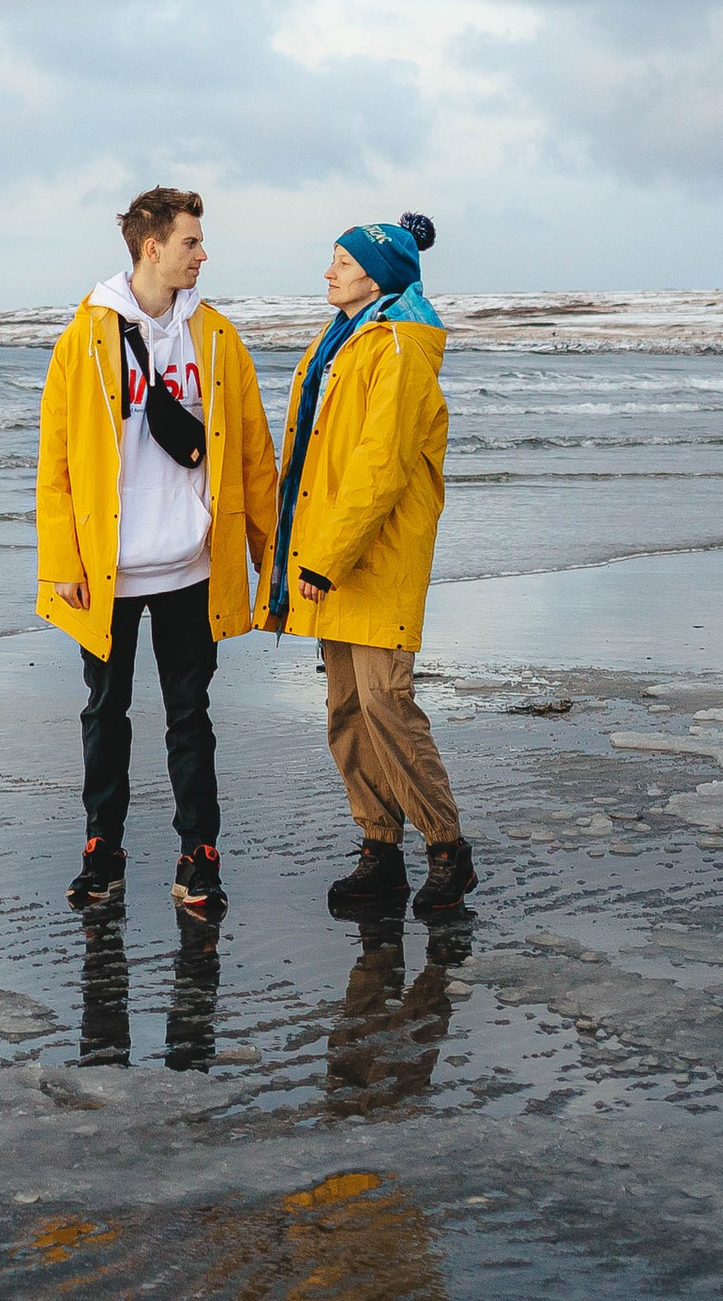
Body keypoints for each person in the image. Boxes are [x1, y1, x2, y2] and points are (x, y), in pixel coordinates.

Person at [36, 186, 278, 919]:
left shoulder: (219, 339)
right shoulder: (85, 337)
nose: (203, 254)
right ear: (152, 248)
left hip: (193, 565)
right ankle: (101, 851)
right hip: (109, 570)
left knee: (190, 715)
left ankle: (197, 854)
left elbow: (255, 457)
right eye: (191, 243)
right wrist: (62, 564)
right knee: (105, 713)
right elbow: (57, 461)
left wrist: (269, 560)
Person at [263, 213, 478, 919]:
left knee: (388, 703)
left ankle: (446, 848)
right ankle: (378, 848)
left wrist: (324, 556)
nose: (329, 273)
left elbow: (380, 463)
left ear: (378, 276)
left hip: (372, 555)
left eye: (343, 264)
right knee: (347, 708)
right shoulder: (342, 343)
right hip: (331, 555)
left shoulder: (400, 348)